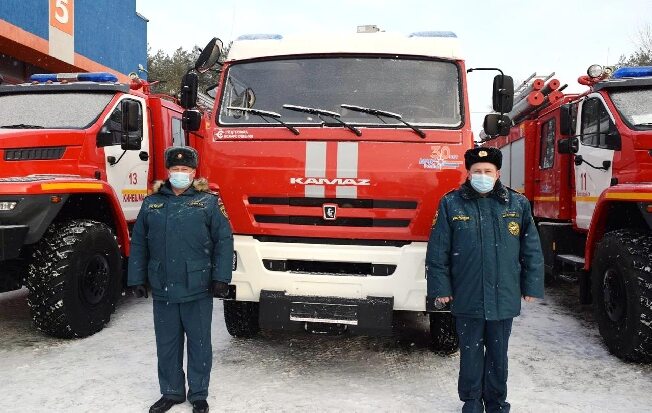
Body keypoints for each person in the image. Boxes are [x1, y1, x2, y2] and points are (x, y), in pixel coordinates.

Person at [426, 147, 544, 413]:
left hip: (504, 295)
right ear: (468, 174)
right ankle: (471, 401)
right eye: (477, 171)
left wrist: (531, 285)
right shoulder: (451, 203)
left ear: (497, 173)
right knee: (470, 353)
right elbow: (438, 249)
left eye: (487, 171)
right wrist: (440, 287)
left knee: (498, 355)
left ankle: (496, 402)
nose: (482, 176)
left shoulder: (517, 203)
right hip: (467, 293)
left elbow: (532, 249)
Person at [128, 146, 234, 413]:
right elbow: (139, 242)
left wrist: (221, 277)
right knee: (167, 343)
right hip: (163, 285)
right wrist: (136, 278)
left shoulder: (208, 202)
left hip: (197, 286)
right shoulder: (152, 203)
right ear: (168, 171)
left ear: (194, 172)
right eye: (175, 169)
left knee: (199, 343)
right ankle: (172, 392)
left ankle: (198, 393)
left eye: (184, 170)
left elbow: (224, 240)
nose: (179, 174)